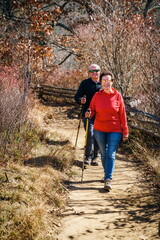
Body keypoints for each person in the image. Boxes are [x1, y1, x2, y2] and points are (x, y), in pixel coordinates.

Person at [85, 71, 129, 190]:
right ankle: (106, 174)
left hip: (115, 129)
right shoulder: (97, 95)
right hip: (99, 129)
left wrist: (125, 130)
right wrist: (89, 112)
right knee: (103, 154)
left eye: (108, 80)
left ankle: (108, 179)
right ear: (101, 82)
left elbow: (122, 114)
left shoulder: (117, 96)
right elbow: (92, 109)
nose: (106, 82)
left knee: (110, 153)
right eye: (104, 80)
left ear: (112, 82)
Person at [74, 64, 102, 166]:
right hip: (87, 114)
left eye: (97, 70)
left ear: (100, 71)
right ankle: (88, 157)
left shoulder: (103, 84)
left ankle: (95, 157)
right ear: (89, 73)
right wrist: (80, 100)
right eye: (92, 71)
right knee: (90, 134)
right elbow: (77, 96)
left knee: (98, 135)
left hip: (101, 115)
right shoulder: (85, 83)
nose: (95, 73)